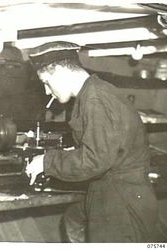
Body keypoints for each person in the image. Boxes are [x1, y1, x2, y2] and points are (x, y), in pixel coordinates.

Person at [25, 41, 160, 242]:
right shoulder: (96, 91)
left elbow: (94, 161)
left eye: (46, 82)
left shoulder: (95, 99)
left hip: (121, 201)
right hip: (116, 192)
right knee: (73, 218)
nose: (46, 91)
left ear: (61, 71)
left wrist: (47, 161)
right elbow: (105, 147)